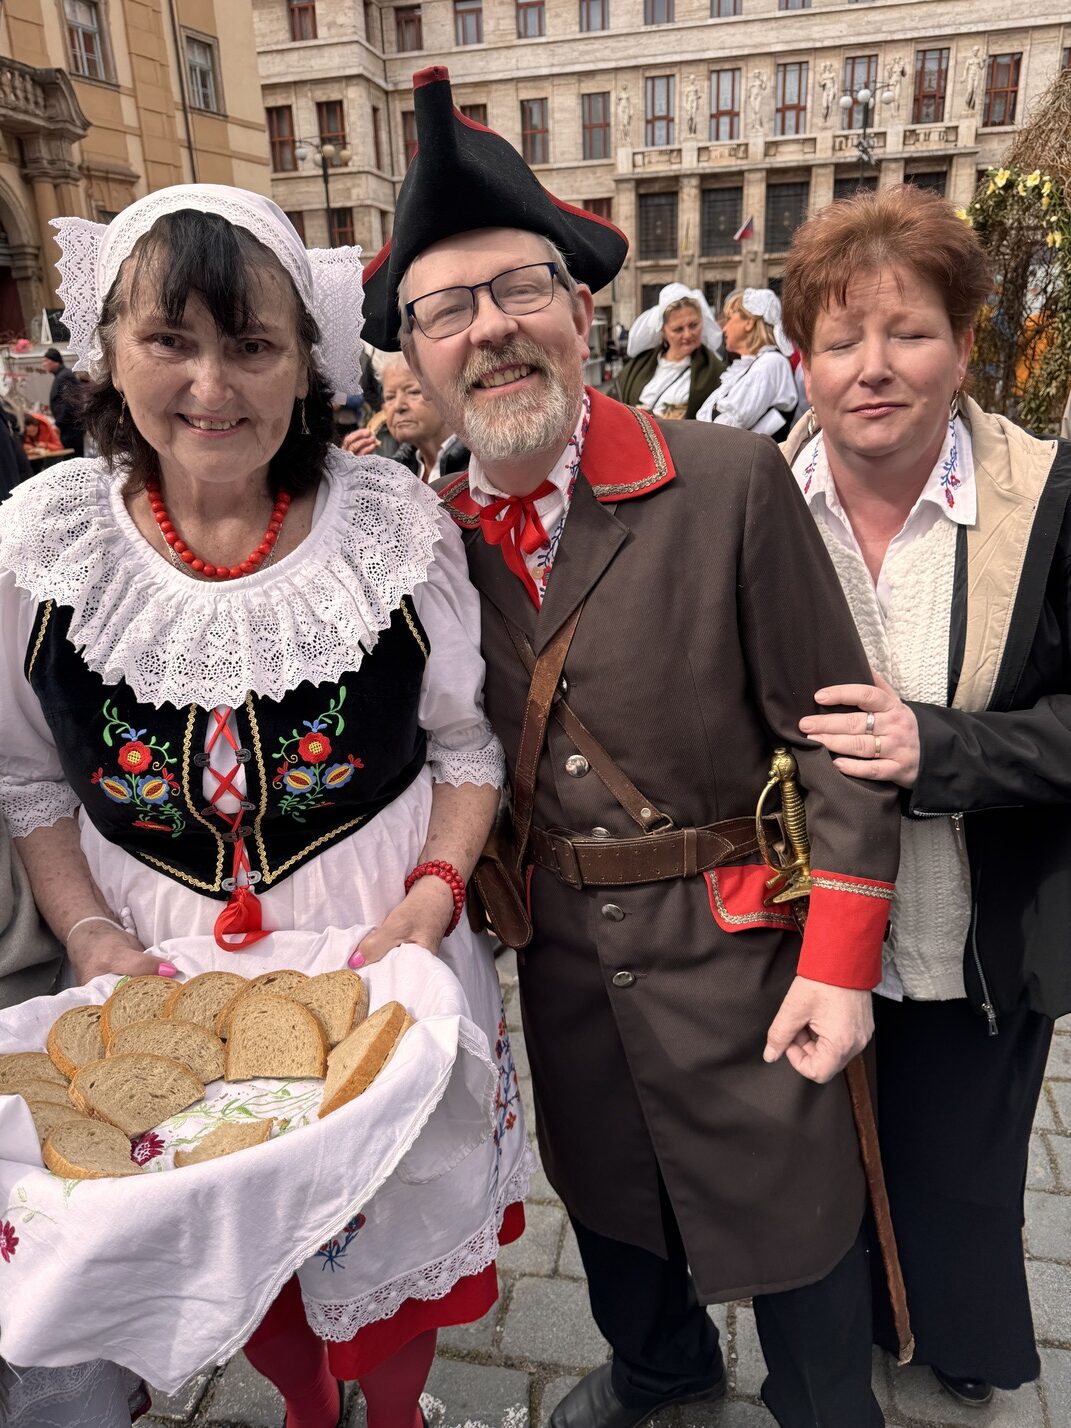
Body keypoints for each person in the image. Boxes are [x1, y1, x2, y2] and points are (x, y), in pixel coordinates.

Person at [361, 67, 902, 1428]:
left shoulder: (723, 482)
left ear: (581, 313)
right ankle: (662, 1372)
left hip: (744, 956)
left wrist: (841, 964)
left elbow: (838, 737)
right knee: (608, 1195)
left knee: (798, 1224)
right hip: (560, 961)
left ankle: (821, 1405)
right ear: (413, 358)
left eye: (519, 290)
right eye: (446, 309)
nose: (490, 328)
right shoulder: (418, 547)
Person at [0, 185, 529, 1428]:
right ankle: (306, 1407)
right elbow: (31, 780)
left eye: (250, 345)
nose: (210, 385)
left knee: (391, 1246)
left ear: (307, 362)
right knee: (242, 1250)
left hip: (383, 953)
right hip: (156, 968)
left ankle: (390, 1412)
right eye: (168, 340)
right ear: (108, 351)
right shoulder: (40, 549)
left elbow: (466, 748)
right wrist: (89, 935)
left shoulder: (394, 530)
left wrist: (430, 902)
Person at [779, 183, 1071, 1409]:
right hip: (804, 942)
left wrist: (939, 749)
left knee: (959, 1177)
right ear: (800, 362)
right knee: (828, 1169)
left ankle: (956, 1343)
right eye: (839, 340)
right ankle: (853, 1334)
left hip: (975, 942)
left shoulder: (1046, 502)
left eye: (909, 332)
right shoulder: (757, 507)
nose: (873, 368)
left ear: (961, 344)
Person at [343, 353, 468, 489]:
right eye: (390, 397)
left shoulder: (478, 466)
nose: (398, 406)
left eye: (413, 392)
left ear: (449, 396)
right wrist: (357, 479)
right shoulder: (396, 473)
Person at [695, 289, 798, 438]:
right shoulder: (752, 365)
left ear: (749, 322)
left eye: (729, 319)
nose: (724, 328)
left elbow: (725, 429)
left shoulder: (771, 363)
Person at [611, 283, 723, 419]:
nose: (688, 335)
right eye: (678, 329)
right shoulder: (640, 365)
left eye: (693, 325)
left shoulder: (714, 371)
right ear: (663, 331)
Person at [42, 346, 84, 457]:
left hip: (71, 427)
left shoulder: (65, 376)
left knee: (73, 458)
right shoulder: (61, 376)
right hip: (68, 426)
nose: (43, 364)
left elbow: (69, 402)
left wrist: (58, 423)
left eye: (46, 361)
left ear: (55, 361)